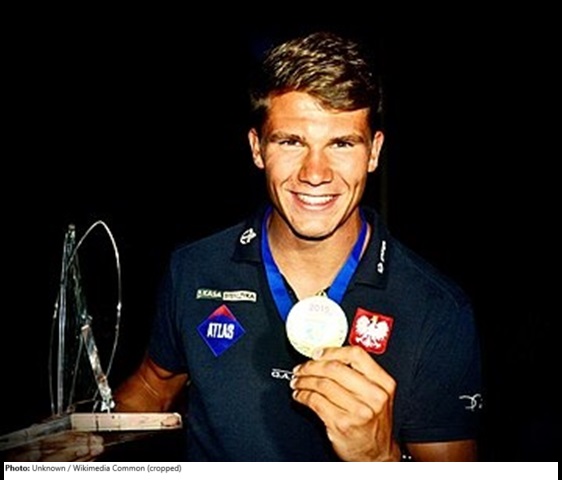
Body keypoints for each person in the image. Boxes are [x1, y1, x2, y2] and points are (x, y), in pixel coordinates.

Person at [9, 30, 483, 462]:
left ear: (374, 152)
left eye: (341, 144)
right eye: (291, 141)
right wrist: (83, 442)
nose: (315, 173)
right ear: (257, 148)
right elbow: (154, 386)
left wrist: (378, 460)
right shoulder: (194, 268)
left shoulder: (437, 309)